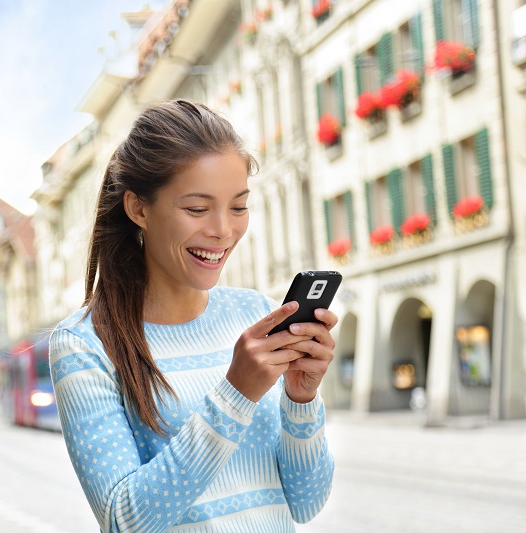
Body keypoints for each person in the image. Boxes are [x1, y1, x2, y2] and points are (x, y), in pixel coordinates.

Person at [49, 99, 338, 532]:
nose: (223, 230)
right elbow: (125, 522)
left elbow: (306, 503)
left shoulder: (255, 313)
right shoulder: (84, 344)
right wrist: (236, 394)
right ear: (139, 209)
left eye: (238, 207)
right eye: (197, 209)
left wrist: (301, 400)